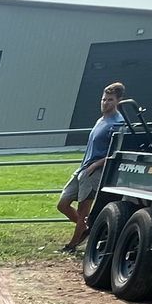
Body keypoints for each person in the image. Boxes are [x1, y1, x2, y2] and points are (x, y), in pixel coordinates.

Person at [58, 82, 126, 251]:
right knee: (63, 204)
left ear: (118, 101)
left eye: (110, 100)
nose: (105, 103)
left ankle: (72, 244)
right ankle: (90, 230)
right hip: (83, 168)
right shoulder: (101, 120)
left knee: (83, 211)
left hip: (95, 172)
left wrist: (96, 165)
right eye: (104, 99)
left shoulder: (118, 124)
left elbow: (116, 152)